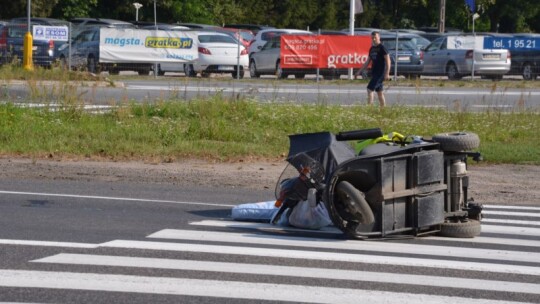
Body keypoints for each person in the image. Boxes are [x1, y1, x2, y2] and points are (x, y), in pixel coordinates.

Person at [356, 31, 391, 107]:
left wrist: (387, 73)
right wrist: (359, 71)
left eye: (375, 37)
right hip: (374, 73)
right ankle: (383, 109)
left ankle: (369, 108)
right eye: (372, 38)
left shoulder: (382, 48)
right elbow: (368, 61)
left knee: (369, 89)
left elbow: (388, 60)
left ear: (379, 37)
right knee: (379, 92)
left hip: (380, 73)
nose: (374, 39)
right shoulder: (372, 49)